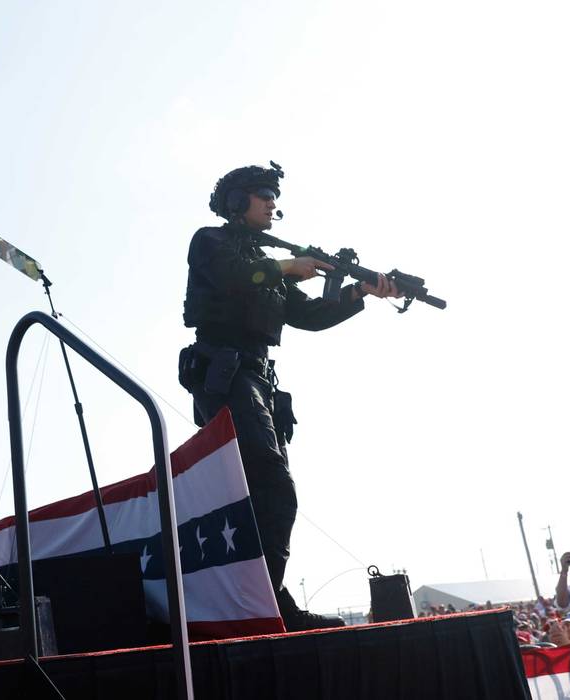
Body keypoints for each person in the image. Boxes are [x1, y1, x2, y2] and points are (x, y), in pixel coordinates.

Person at [178, 162, 401, 631]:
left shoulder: (267, 265)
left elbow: (312, 317)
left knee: (265, 494)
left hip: (257, 380)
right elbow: (236, 277)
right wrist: (287, 267)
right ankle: (261, 603)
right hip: (227, 373)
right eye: (262, 195)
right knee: (275, 488)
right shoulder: (211, 242)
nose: (272, 203)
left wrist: (360, 291)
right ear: (237, 202)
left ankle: (269, 598)